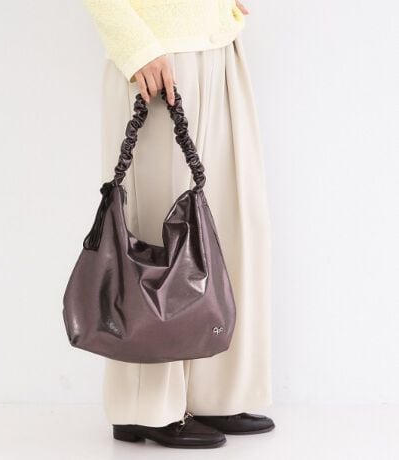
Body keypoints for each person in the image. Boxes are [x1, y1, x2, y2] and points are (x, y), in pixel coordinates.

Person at [82, 0, 275, 449]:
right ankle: (146, 406)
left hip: (219, 45)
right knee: (154, 236)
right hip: (156, 56)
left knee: (228, 227)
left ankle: (213, 393)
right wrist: (136, 46)